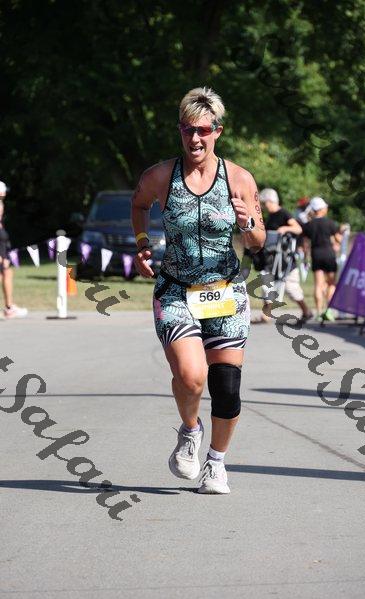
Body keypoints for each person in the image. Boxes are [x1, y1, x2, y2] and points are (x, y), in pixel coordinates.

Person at [131, 88, 265, 494]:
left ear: (217, 132)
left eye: (203, 131)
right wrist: (142, 243)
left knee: (226, 386)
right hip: (176, 290)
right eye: (188, 130)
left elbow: (258, 241)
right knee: (191, 378)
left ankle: (216, 463)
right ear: (180, 131)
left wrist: (246, 222)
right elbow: (139, 205)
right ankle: (190, 430)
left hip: (226, 291)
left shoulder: (239, 179)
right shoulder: (160, 176)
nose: (195, 139)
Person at [251, 188, 312, 324]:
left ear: (270, 201)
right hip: (271, 259)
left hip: (285, 259)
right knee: (267, 284)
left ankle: (306, 311)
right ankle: (266, 315)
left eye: (264, 203)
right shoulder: (270, 216)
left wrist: (285, 228)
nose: (263, 206)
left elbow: (298, 229)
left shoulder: (283, 213)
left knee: (291, 287)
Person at [301, 196, 342, 321]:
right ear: (322, 209)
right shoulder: (330, 223)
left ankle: (319, 312)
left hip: (316, 254)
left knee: (318, 284)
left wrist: (305, 258)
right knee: (331, 283)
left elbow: (305, 244)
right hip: (329, 254)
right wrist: (341, 234)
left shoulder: (308, 225)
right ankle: (328, 310)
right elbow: (338, 239)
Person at [0, 182, 28, 319]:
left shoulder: (0, 204)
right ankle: (9, 308)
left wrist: (4, 253)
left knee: (7, 273)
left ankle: (9, 307)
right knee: (4, 273)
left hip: (2, 247)